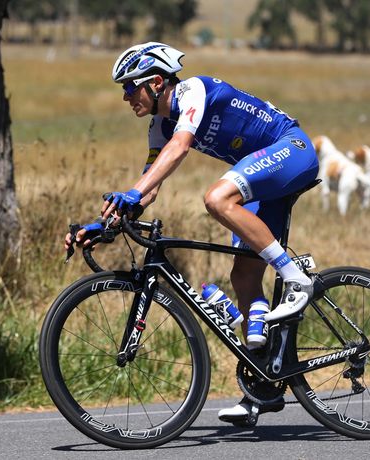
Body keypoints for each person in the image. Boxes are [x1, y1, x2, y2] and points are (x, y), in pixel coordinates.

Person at [65, 42, 319, 424]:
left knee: (217, 198)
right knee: (244, 276)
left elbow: (181, 147)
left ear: (154, 82)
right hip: (263, 176)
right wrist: (106, 224)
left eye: (129, 87)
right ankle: (264, 386)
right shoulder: (158, 126)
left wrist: (133, 193)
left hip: (291, 149)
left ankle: (296, 278)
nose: (124, 97)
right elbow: (148, 187)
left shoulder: (192, 92)